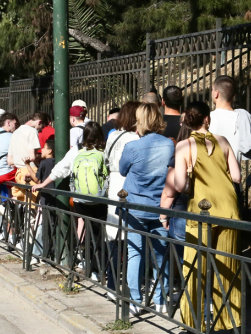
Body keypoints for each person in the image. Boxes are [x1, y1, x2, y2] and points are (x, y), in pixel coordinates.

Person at [169, 101, 242, 334]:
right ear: (206, 119)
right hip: (228, 207)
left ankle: (193, 325)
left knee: (195, 267)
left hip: (202, 210)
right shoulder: (223, 140)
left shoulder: (183, 146)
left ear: (187, 121)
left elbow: (179, 185)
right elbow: (238, 177)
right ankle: (230, 322)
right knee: (228, 265)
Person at [119, 103, 175, 315]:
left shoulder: (133, 147)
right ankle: (161, 299)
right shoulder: (170, 145)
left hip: (134, 206)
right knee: (161, 254)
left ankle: (135, 300)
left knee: (135, 254)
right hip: (161, 207)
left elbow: (123, 170)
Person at [103, 102, 141, 286]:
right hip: (128, 183)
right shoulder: (135, 138)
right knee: (130, 235)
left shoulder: (113, 135)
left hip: (114, 184)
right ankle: (129, 282)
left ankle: (112, 281)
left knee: (114, 233)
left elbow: (106, 159)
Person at [70, 122, 110, 278]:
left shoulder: (78, 150)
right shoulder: (104, 151)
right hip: (99, 199)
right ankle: (100, 268)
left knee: (87, 232)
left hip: (81, 200)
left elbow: (64, 169)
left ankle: (88, 265)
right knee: (100, 233)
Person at [210, 75, 251, 161]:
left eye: (212, 90)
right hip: (234, 172)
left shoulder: (208, 118)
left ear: (216, 93)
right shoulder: (242, 117)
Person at [8, 112, 46, 202]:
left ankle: (8, 206)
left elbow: (9, 160)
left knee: (24, 201)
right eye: (42, 127)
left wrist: (20, 159)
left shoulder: (15, 133)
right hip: (30, 171)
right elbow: (32, 157)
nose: (41, 130)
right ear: (39, 122)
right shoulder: (32, 131)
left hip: (19, 172)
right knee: (33, 203)